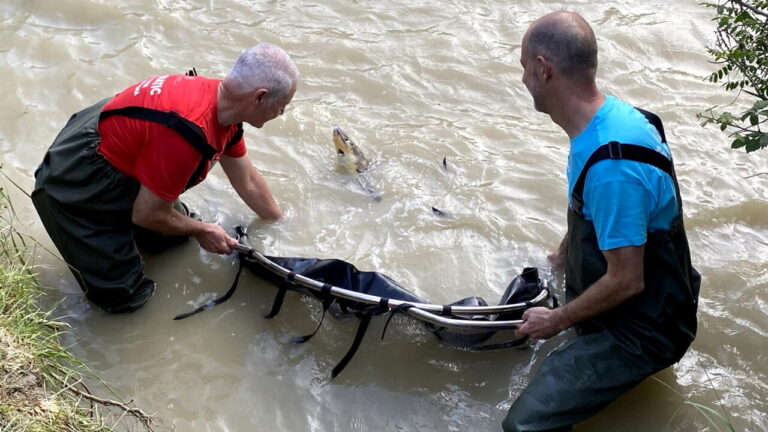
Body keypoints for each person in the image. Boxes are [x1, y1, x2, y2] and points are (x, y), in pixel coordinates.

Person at [503, 11, 700, 431]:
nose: (522, 79)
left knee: (523, 426)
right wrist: (560, 256)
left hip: (643, 329)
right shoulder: (612, 121)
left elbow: (628, 280)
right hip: (642, 291)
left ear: (543, 68)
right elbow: (588, 207)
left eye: (523, 67)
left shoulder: (614, 166)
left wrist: (555, 320)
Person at [32, 43, 299, 314]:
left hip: (120, 147)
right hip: (76, 179)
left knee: (172, 242)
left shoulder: (224, 108)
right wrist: (202, 229)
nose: (282, 113)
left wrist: (280, 224)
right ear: (260, 97)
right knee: (126, 299)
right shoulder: (186, 133)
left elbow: (248, 181)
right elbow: (147, 215)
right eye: (282, 105)